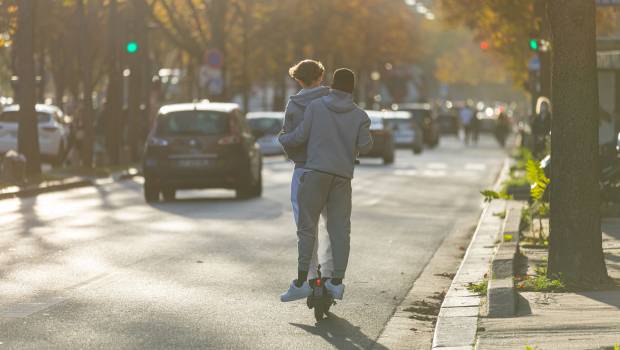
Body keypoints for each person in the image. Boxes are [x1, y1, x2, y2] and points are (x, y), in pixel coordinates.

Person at [278, 68, 373, 302]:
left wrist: (282, 139)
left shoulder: (316, 107)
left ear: (332, 85)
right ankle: (336, 282)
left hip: (314, 173)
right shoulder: (360, 116)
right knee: (339, 229)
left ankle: (301, 282)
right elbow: (366, 145)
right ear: (353, 89)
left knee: (307, 227)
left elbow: (299, 136)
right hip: (341, 177)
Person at [280, 59, 334, 285]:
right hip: (331, 170)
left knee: (306, 227)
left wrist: (295, 154)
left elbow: (288, 138)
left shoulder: (293, 105)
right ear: (321, 76)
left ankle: (311, 275)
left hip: (303, 171)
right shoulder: (333, 100)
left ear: (298, 79)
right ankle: (331, 275)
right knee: (333, 226)